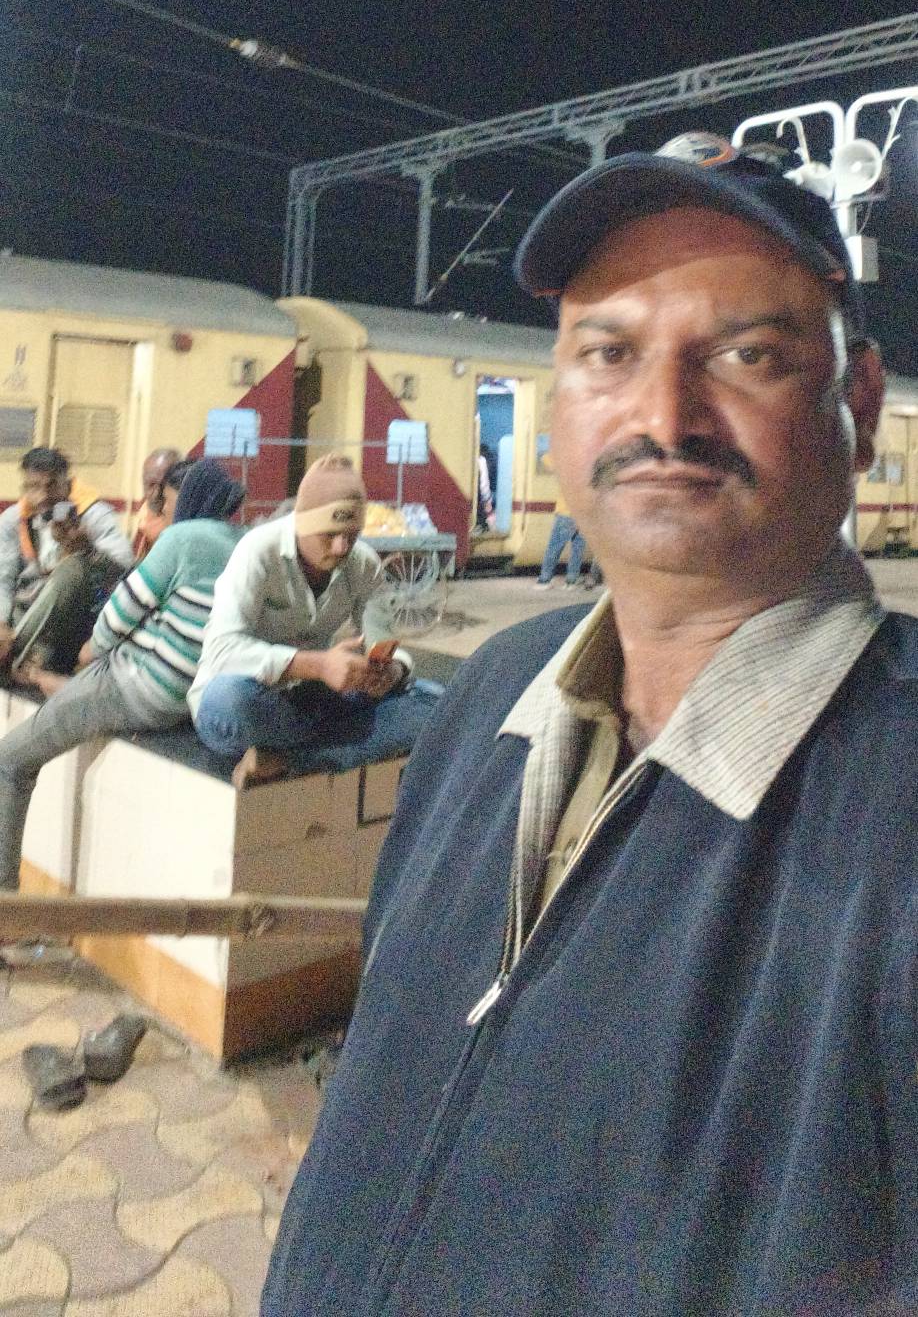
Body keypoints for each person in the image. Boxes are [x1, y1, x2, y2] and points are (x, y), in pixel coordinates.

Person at [263, 135, 917, 1317]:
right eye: (608, 353)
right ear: (559, 399)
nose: (663, 415)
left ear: (857, 404)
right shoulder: (490, 696)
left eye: (748, 355)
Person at [0, 458, 246, 892]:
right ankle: (50, 682)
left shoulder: (180, 537)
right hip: (186, 693)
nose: (160, 508)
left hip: (135, 685)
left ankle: (5, 900)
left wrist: (89, 651)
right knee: (78, 687)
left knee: (10, 762)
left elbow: (118, 613)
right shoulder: (243, 543)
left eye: (165, 499)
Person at [189, 454, 440, 788]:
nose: (341, 547)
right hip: (254, 703)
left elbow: (385, 645)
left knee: (434, 702)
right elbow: (221, 652)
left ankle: (288, 760)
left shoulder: (363, 564)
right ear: (302, 524)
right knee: (227, 699)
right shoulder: (257, 551)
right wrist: (319, 666)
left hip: (310, 703)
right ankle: (334, 748)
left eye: (351, 536)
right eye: (328, 535)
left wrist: (390, 671)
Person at [0, 447, 133, 676]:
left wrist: (87, 549)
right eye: (33, 487)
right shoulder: (13, 520)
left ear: (67, 485)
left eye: (51, 486)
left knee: (72, 569)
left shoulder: (94, 515)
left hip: (76, 614)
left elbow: (125, 568)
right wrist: (1, 622)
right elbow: (3, 579)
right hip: (25, 611)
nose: (42, 496)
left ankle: (14, 658)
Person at [131, 446, 183, 560]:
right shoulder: (144, 519)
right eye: (150, 485)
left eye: (161, 485)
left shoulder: (186, 525)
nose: (155, 493)